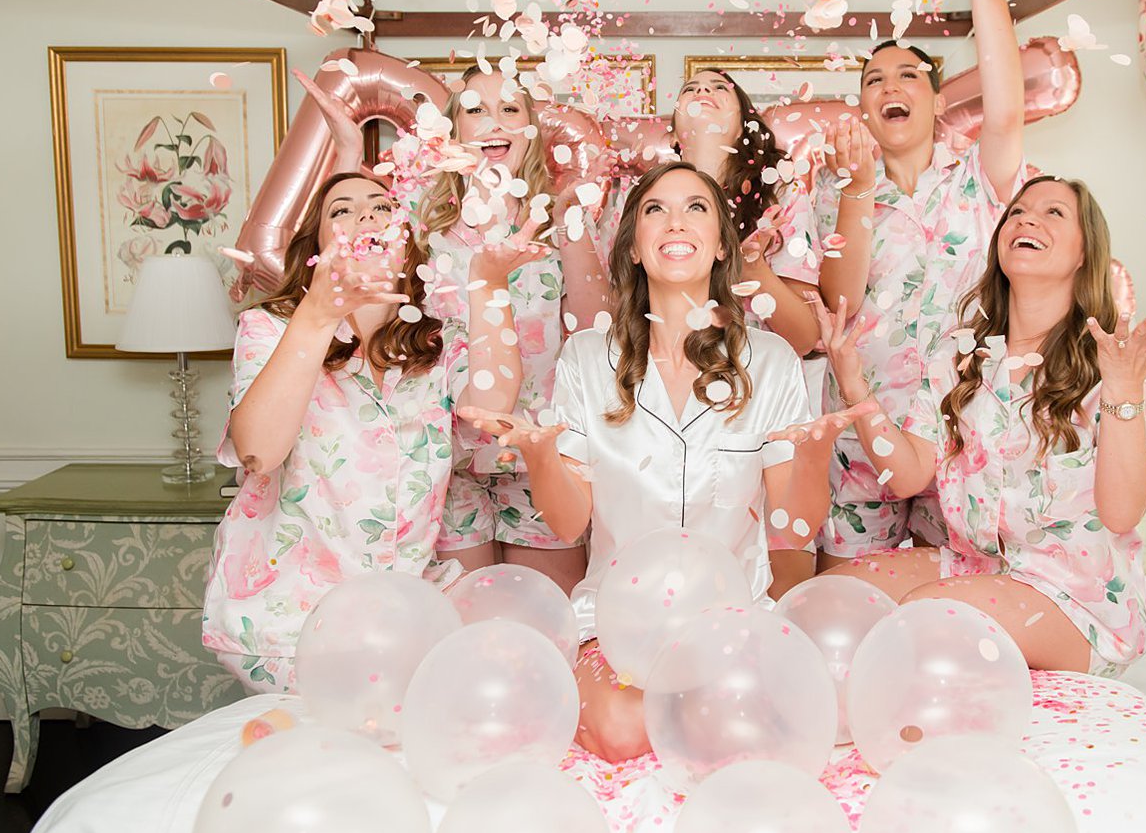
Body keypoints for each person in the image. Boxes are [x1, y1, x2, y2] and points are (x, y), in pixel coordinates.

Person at [462, 162, 872, 761]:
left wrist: (810, 461)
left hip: (733, 621)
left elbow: (794, 530)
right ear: (631, 247)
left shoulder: (772, 359)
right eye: (655, 208)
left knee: (759, 726)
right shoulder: (585, 358)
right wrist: (543, 458)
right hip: (615, 623)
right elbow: (569, 524)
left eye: (696, 207)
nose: (675, 220)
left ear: (721, 247)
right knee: (625, 732)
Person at [816, 175, 1146, 676]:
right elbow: (909, 475)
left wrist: (1123, 393)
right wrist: (855, 388)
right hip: (977, 568)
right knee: (834, 600)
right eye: (1017, 211)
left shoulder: (1119, 365)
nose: (1027, 218)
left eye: (1054, 212)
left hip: (1074, 600)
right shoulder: (960, 355)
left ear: (1086, 253)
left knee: (923, 616)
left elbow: (1124, 513)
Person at [201, 169, 540, 693]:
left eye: (382, 206)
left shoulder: (435, 345)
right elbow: (258, 452)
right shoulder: (270, 327)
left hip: (402, 620)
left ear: (406, 245)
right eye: (341, 210)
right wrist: (316, 315)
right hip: (290, 626)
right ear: (316, 250)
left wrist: (488, 284)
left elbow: (492, 408)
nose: (365, 216)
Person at [303, 67, 609, 594]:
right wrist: (347, 150)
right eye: (475, 109)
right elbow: (345, 244)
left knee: (547, 627)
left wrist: (572, 227)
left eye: (511, 109)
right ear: (452, 134)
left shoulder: (561, 223)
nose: (495, 120)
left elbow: (592, 333)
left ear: (530, 130)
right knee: (458, 628)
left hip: (539, 457)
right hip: (442, 461)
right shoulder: (416, 224)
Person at [812, 0, 1028, 569]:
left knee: (958, 590)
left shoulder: (978, 177)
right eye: (873, 80)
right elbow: (838, 304)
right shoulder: (834, 186)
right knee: (852, 589)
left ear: (935, 99)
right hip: (859, 414)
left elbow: (1008, 112)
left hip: (965, 423)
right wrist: (855, 190)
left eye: (908, 74)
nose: (890, 85)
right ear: (866, 109)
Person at [597, 69, 822, 357]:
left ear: (743, 127)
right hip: (659, 373)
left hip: (756, 378)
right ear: (674, 135)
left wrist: (754, 269)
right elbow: (611, 313)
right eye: (690, 89)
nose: (703, 92)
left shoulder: (779, 194)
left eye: (719, 88)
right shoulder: (635, 196)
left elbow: (803, 338)